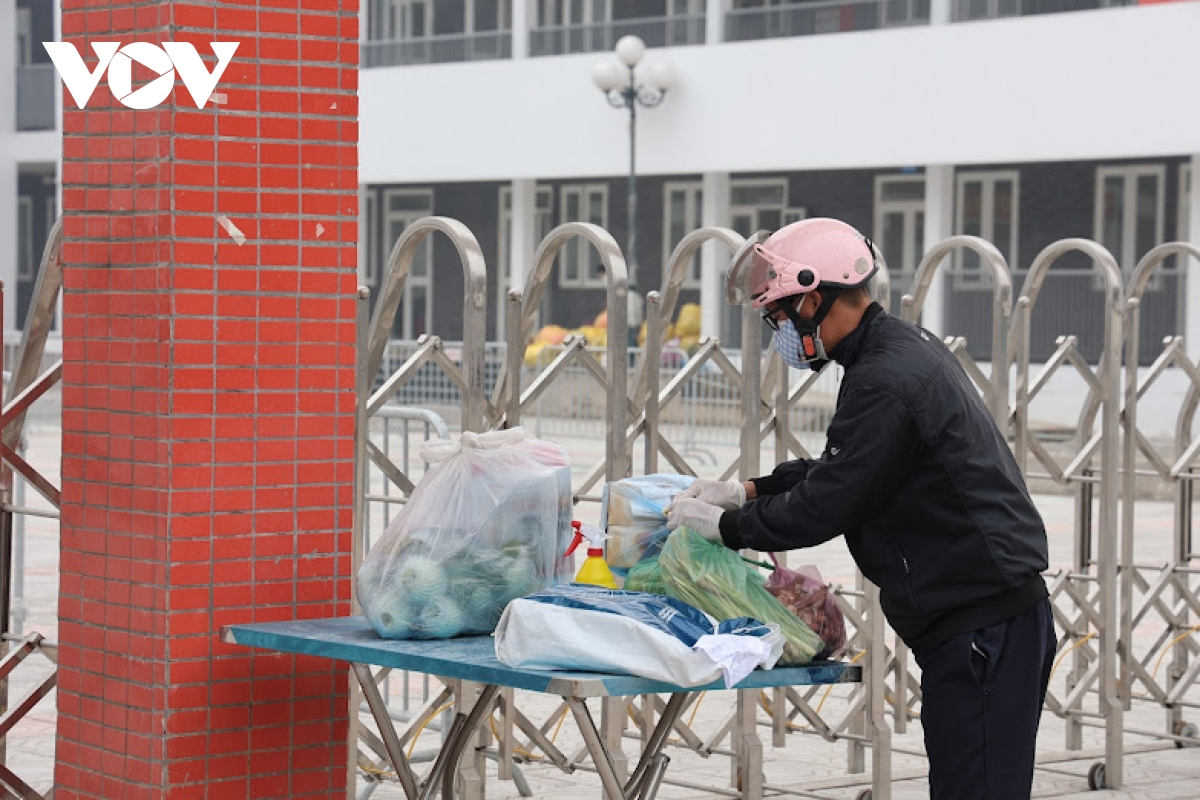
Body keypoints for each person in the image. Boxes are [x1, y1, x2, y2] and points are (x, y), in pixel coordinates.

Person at [665, 217, 1055, 800]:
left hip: (983, 626)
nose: (779, 333)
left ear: (813, 299)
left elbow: (825, 506)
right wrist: (744, 490)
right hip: (981, 618)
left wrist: (723, 527)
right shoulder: (891, 352)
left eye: (778, 317)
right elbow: (850, 469)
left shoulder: (886, 377)